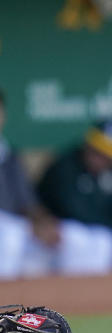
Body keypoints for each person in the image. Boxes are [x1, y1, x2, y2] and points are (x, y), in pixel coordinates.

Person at [36, 120, 112, 275]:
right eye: (97, 150)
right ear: (88, 143)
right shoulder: (65, 167)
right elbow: (76, 212)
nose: (99, 157)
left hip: (100, 234)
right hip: (58, 236)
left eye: (106, 154)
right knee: (91, 239)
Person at [0, 89, 59, 280]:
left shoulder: (8, 155)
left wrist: (42, 222)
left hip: (13, 227)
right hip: (8, 232)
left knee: (43, 251)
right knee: (11, 235)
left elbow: (27, 202)